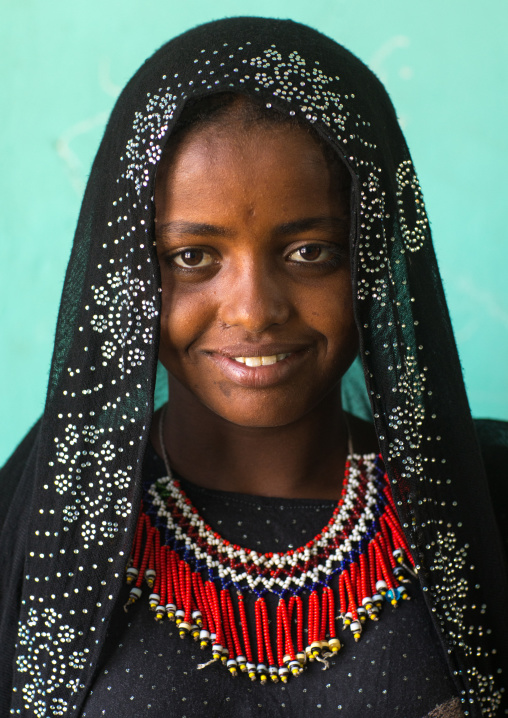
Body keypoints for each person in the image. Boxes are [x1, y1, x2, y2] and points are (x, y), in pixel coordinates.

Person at [1, 16, 507, 718]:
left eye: (309, 252)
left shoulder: (482, 502)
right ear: (129, 271)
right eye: (193, 257)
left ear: (373, 262)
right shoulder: (47, 512)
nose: (254, 309)